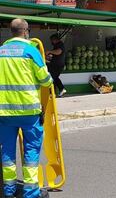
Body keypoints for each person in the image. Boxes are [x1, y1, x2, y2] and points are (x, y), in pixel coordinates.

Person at [0, 18, 53, 198]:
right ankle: (31, 192)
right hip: (29, 112)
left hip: (4, 112)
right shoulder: (31, 51)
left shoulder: (0, 52)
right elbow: (45, 79)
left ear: (11, 32)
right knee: (31, 151)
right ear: (25, 31)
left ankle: (8, 190)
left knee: (7, 151)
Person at [46, 34, 66, 98]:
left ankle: (53, 93)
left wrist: (50, 51)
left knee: (52, 78)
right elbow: (56, 54)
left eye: (51, 40)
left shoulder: (60, 44)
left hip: (57, 65)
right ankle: (61, 89)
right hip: (55, 64)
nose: (51, 42)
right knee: (55, 77)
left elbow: (58, 52)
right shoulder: (57, 45)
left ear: (54, 39)